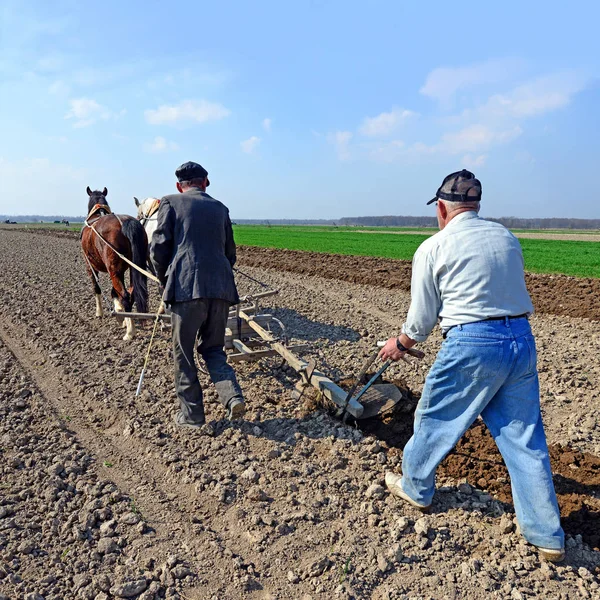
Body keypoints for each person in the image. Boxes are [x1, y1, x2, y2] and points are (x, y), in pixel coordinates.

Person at [379, 169, 565, 562]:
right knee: (525, 439)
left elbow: (422, 318)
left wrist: (401, 344)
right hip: (520, 339)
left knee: (434, 416)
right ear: (475, 205)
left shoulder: (434, 246)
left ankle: (415, 487)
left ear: (442, 208)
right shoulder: (505, 237)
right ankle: (546, 535)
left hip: (473, 343)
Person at [150, 161, 245, 427]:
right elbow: (230, 253)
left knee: (183, 354)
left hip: (185, 289)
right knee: (214, 348)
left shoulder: (169, 202)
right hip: (221, 290)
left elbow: (158, 249)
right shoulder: (220, 208)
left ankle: (192, 416)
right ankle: (232, 397)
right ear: (205, 183)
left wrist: (164, 280)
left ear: (180, 186)